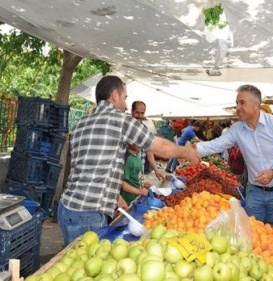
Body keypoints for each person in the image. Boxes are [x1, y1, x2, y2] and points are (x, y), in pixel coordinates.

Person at [58, 75, 200, 246]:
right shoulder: (119, 120)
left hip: (67, 209)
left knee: (73, 265)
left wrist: (115, 196)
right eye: (125, 98)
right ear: (115, 95)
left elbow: (90, 166)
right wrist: (186, 151)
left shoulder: (81, 123)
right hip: (89, 214)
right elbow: (158, 147)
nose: (126, 106)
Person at [196, 84, 273, 225]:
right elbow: (215, 145)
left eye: (242, 102)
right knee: (251, 232)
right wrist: (190, 150)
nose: (237, 107)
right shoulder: (237, 129)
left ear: (256, 105)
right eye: (237, 103)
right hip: (255, 192)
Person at [131, 101, 165, 181]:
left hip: (140, 168)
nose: (139, 116)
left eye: (142, 113)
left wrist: (156, 170)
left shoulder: (144, 129)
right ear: (132, 111)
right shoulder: (126, 127)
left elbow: (149, 151)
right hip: (127, 168)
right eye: (137, 112)